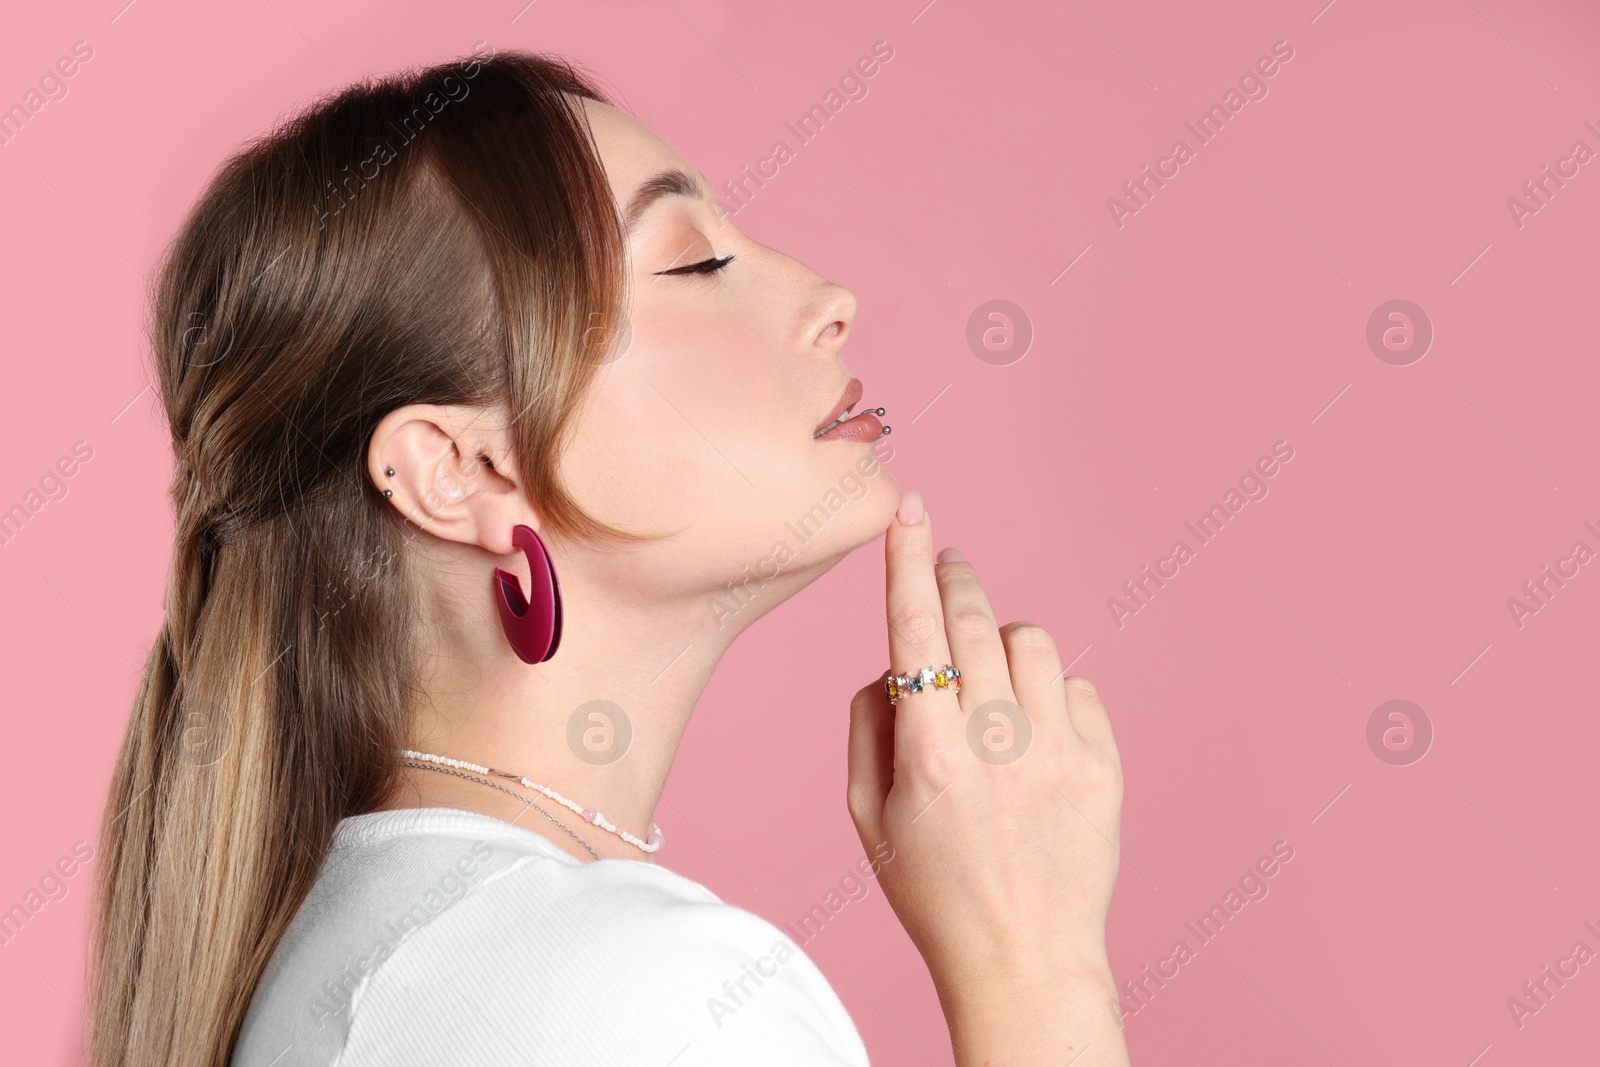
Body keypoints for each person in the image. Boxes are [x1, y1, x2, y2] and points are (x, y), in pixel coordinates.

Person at [87, 46, 1130, 1067]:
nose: (829, 298)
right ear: (461, 467)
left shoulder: (395, 944)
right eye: (695, 262)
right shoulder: (634, 992)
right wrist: (1031, 963)